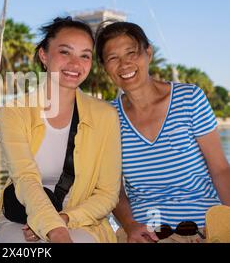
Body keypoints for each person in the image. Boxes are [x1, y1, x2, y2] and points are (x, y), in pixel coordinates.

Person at [0, 17, 122, 243]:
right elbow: (25, 178)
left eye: (85, 55)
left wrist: (64, 219)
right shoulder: (15, 112)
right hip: (22, 217)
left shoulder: (105, 116)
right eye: (65, 52)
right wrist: (53, 228)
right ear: (44, 56)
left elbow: (107, 194)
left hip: (82, 219)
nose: (76, 64)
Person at [94, 21, 230, 243]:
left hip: (206, 228)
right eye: (113, 58)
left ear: (149, 53)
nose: (124, 64)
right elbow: (114, 191)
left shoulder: (189, 99)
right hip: (146, 234)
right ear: (104, 66)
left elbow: (221, 170)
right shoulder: (109, 116)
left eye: (131, 53)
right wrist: (130, 227)